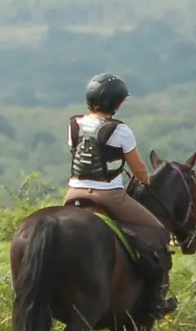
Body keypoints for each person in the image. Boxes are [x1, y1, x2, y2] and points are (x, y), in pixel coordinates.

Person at [64, 72, 176, 318]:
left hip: (74, 192)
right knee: (159, 234)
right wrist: (145, 180)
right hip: (108, 195)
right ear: (116, 104)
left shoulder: (74, 124)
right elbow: (138, 169)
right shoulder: (121, 130)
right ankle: (157, 300)